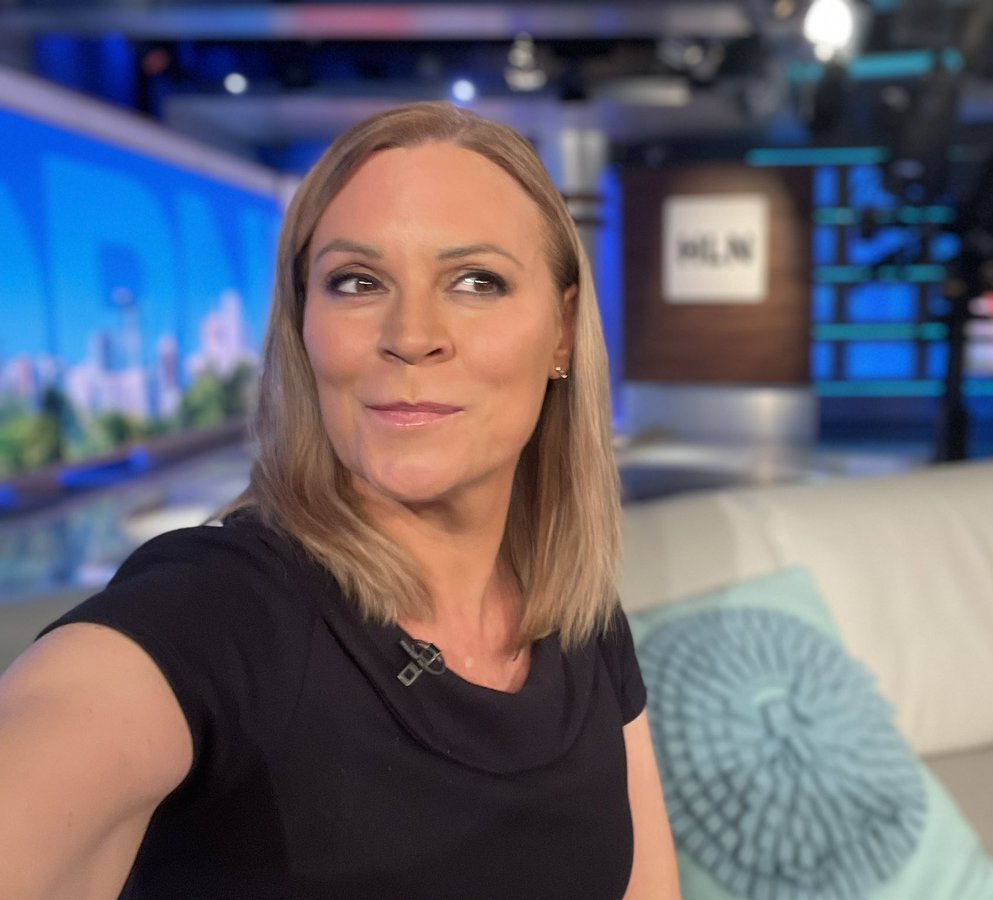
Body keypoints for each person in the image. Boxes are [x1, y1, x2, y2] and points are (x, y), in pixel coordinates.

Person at [0, 101, 681, 900]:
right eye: (357, 282)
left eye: (476, 281)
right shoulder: (218, 608)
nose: (411, 334)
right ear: (304, 325)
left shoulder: (581, 618)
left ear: (562, 332)